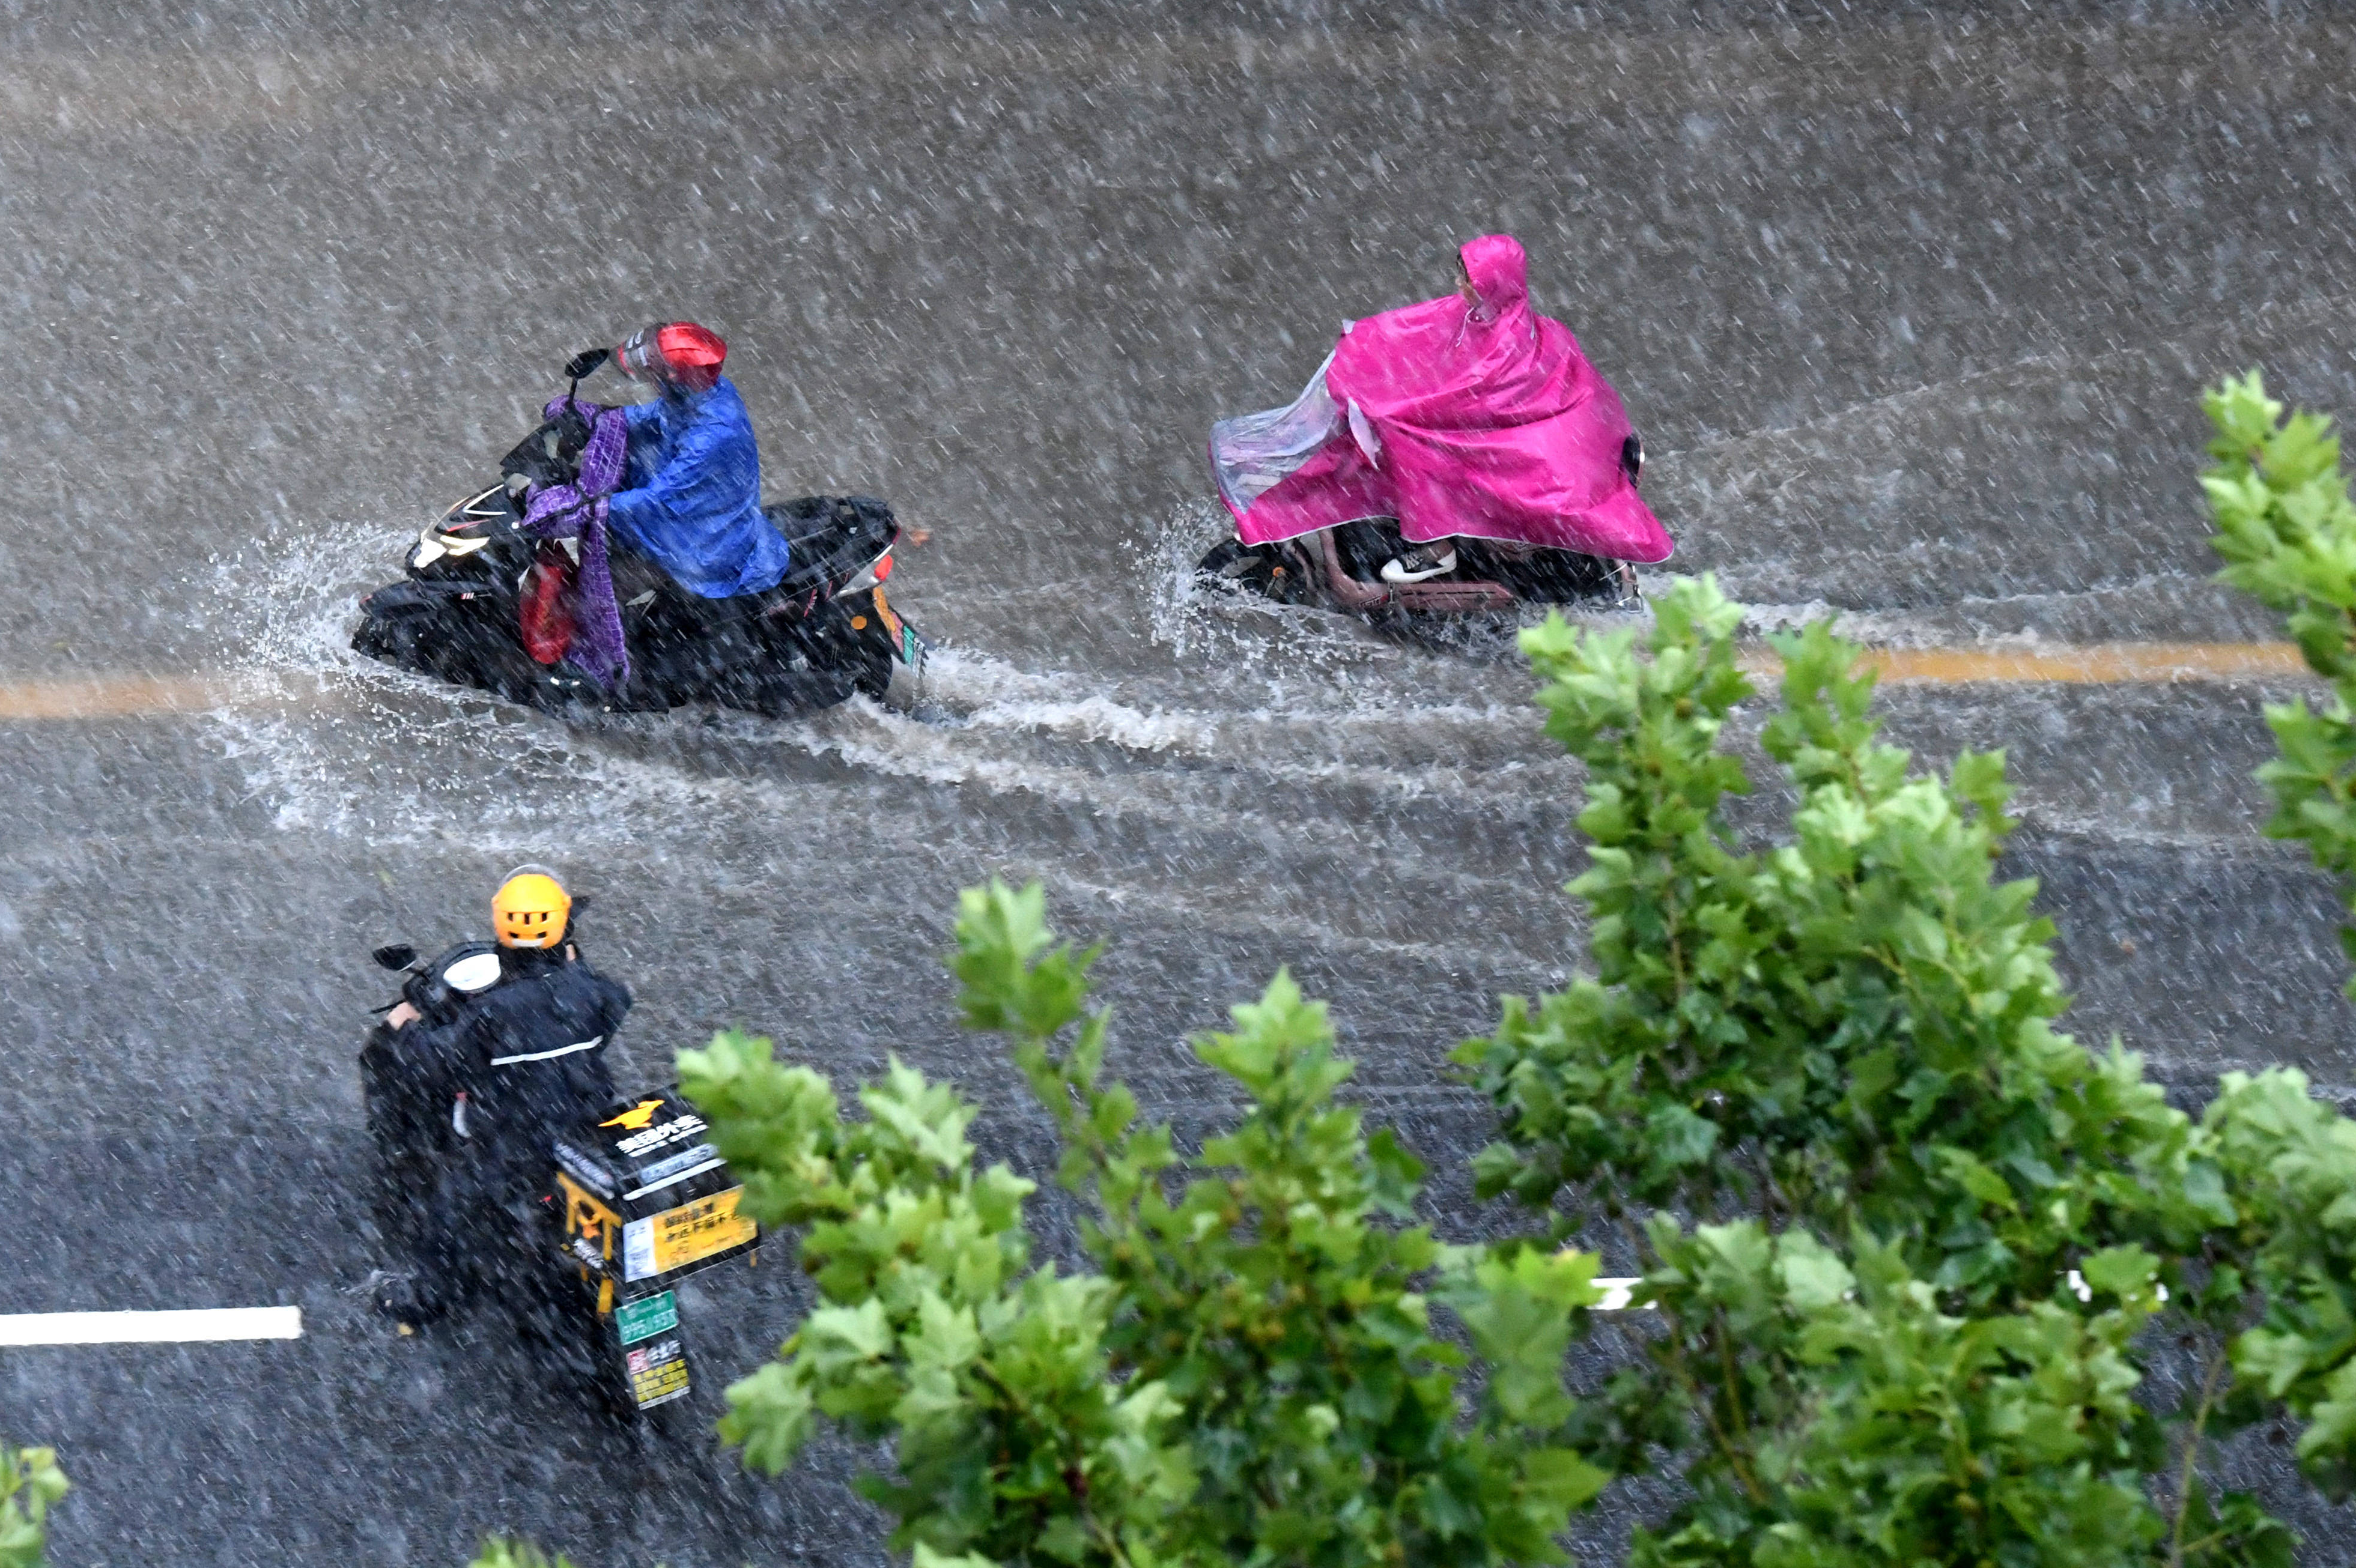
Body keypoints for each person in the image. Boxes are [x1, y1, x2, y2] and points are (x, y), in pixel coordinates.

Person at [1209, 234, 1672, 584]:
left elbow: (1474, 395)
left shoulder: (1508, 341)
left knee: (1407, 432)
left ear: (1491, 285)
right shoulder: (1492, 318)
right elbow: (1418, 331)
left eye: (1468, 281)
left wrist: (1397, 406)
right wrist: (1365, 345)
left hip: (1505, 447)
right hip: (1501, 437)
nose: (1459, 287)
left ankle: (1437, 548)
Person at [367, 866, 633, 1330]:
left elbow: (438, 1063)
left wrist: (405, 1024)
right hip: (586, 1126)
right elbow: (617, 1004)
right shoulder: (592, 993)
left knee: (449, 1208)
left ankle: (427, 1298)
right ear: (564, 927)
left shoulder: (492, 1011)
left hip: (515, 1145)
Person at [602, 321, 796, 603]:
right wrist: (601, 419)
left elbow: (660, 499)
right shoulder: (700, 392)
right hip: (698, 521)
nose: (654, 386)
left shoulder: (714, 434)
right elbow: (657, 416)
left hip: (703, 546)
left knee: (607, 590)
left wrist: (594, 507)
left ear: (675, 379)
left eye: (656, 378)